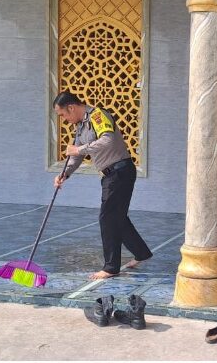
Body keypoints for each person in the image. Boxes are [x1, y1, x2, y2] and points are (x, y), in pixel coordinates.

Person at [52, 91, 152, 280]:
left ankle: (111, 267)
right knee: (117, 218)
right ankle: (142, 253)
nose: (64, 119)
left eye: (63, 115)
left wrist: (79, 148)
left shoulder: (97, 116)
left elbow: (108, 140)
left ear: (71, 108)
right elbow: (77, 156)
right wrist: (65, 174)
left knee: (107, 219)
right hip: (110, 175)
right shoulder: (80, 127)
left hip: (120, 171)